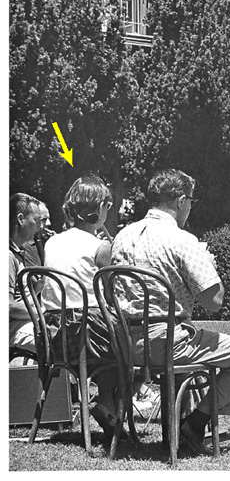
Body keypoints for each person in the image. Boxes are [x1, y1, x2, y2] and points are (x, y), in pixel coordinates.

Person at [111, 169, 230, 455]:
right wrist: (209, 264)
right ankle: (195, 423)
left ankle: (184, 424)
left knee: (185, 338)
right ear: (181, 201)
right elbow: (214, 300)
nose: (191, 206)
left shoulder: (121, 236)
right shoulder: (182, 240)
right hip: (167, 342)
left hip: (125, 343)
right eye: (192, 200)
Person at [40, 174, 125, 439]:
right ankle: (107, 404)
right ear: (98, 208)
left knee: (113, 335)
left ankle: (107, 407)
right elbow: (112, 295)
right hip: (87, 333)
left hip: (53, 334)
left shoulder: (52, 241)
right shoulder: (100, 246)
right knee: (130, 344)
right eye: (107, 206)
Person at [9, 193, 43, 355]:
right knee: (61, 343)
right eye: (36, 220)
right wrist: (41, 312)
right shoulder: (8, 256)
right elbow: (8, 306)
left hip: (23, 322)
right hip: (12, 327)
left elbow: (19, 297)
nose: (39, 226)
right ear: (21, 219)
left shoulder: (17, 252)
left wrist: (38, 287)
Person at [22, 201, 54, 268]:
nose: (49, 223)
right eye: (44, 219)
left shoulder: (47, 241)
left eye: (48, 219)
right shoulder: (25, 246)